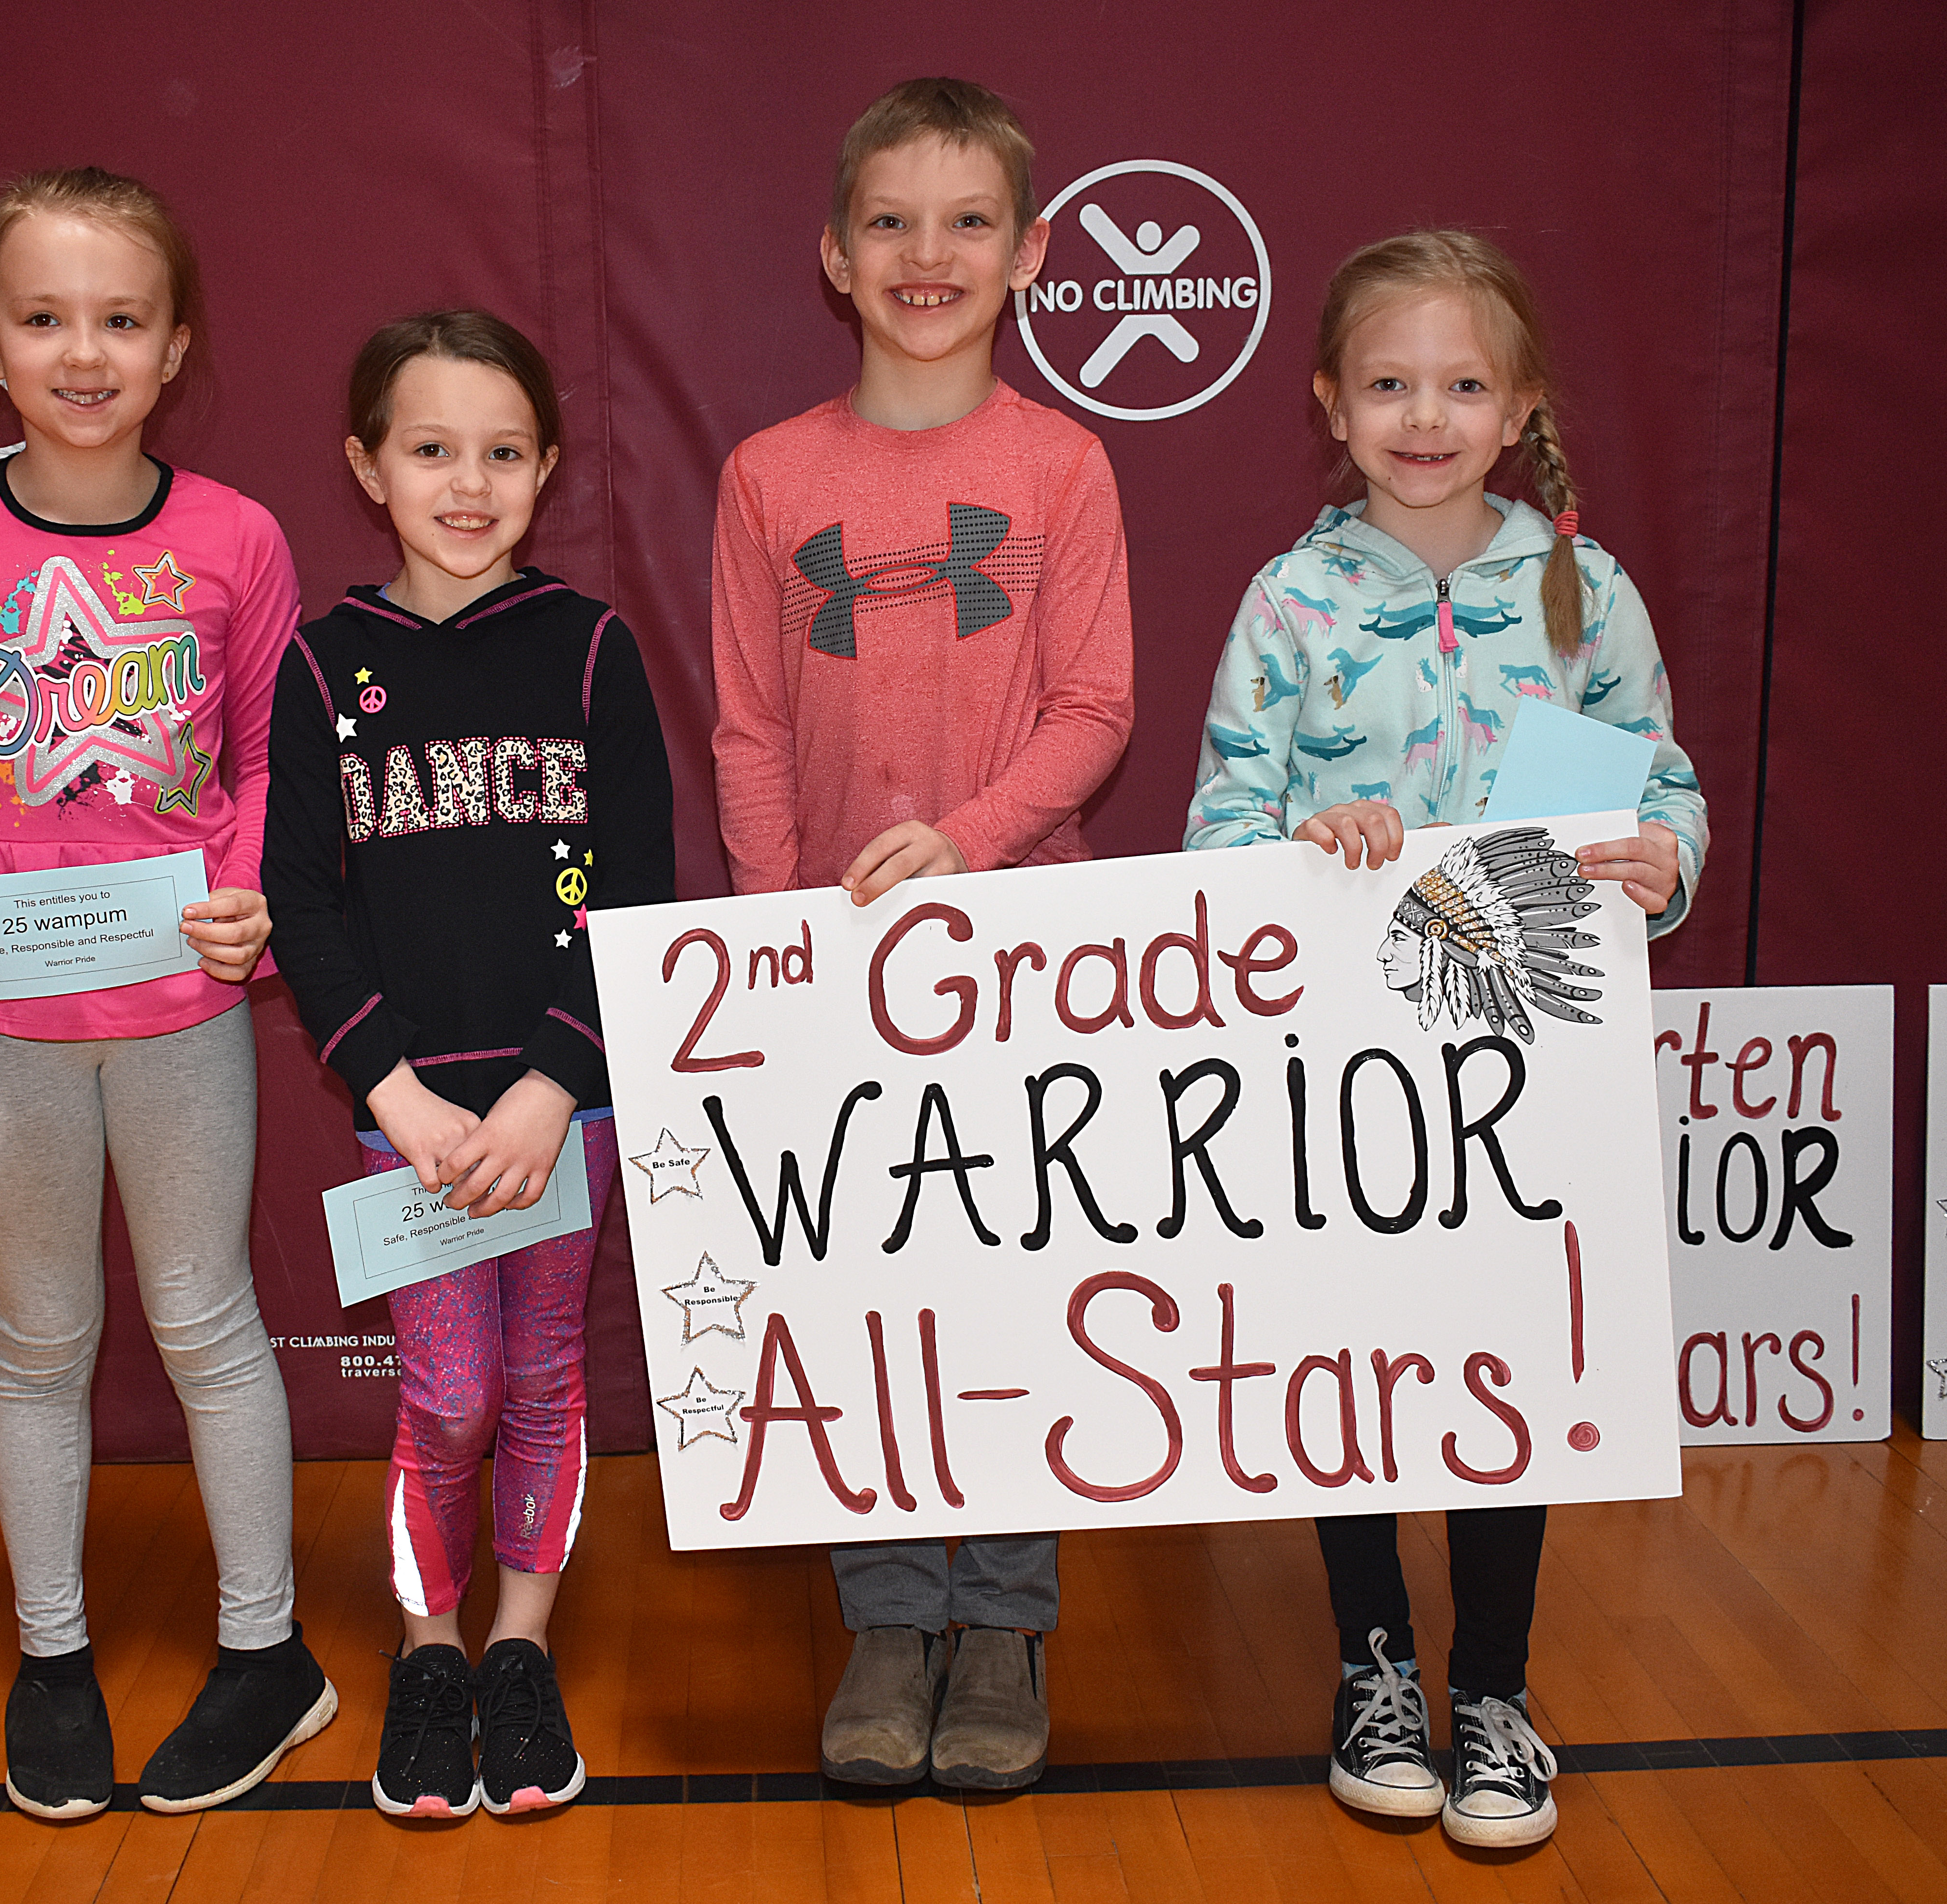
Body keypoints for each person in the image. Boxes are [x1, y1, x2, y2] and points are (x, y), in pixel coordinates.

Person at [1185, 228, 1709, 1848]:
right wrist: (1297, 837)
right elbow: (1217, 830)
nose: (1427, 415)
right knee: (1358, 1371)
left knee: (1499, 1372)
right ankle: (1373, 1670)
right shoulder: (1289, 599)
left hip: (1526, 1075)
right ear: (1331, 404)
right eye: (1392, 384)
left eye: (1463, 385)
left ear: (1519, 405)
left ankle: (1492, 1687)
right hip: (1345, 1083)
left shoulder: (1584, 590)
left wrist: (1658, 863)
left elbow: (1658, 790)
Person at [0, 167, 331, 1821]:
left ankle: (266, 1651)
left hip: (179, 1004)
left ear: (175, 343)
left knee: (206, 1324)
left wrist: (249, 891)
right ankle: (53, 1661)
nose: (84, 353)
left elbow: (270, 759)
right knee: (37, 1335)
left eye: (121, 319)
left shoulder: (234, 536)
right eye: (43, 319)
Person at [711, 78, 1135, 1791]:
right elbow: (746, 726)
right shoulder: (765, 475)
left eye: (968, 221)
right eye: (890, 219)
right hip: (831, 959)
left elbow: (1097, 706)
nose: (927, 253)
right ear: (833, 252)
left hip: (1024, 951)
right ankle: (890, 1620)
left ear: (1031, 256)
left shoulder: (1061, 465)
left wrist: (961, 847)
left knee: (1014, 1297)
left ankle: (1005, 1625)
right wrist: (772, 935)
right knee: (870, 1294)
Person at [262, 310, 675, 1818]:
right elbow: (302, 903)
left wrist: (554, 1084)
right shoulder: (324, 668)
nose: (467, 482)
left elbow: (633, 882)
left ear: (548, 467)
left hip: (562, 1107)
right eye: (431, 449)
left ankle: (516, 1647)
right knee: (443, 1395)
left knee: (545, 1379)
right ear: (368, 464)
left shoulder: (590, 649)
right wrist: (395, 1097)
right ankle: (426, 1648)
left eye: (503, 453)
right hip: (413, 1121)